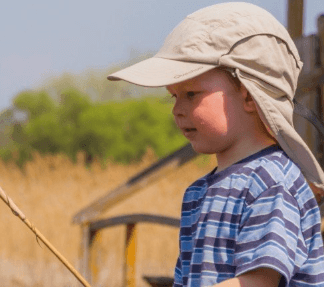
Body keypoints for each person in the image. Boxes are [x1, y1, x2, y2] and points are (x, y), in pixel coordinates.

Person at [107, 2, 324, 287]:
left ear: (249, 96)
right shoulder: (197, 193)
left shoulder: (272, 183)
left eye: (191, 94)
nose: (177, 110)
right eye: (174, 96)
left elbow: (258, 282)